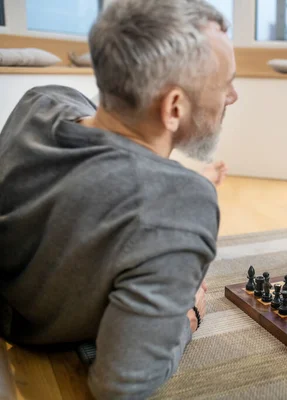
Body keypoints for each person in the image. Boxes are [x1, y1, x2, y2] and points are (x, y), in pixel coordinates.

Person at [0, 0, 237, 398]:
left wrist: (179, 179)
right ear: (174, 106)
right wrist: (190, 316)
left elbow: (106, 158)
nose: (233, 96)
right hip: (39, 341)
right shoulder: (182, 206)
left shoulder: (42, 100)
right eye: (226, 83)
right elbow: (121, 385)